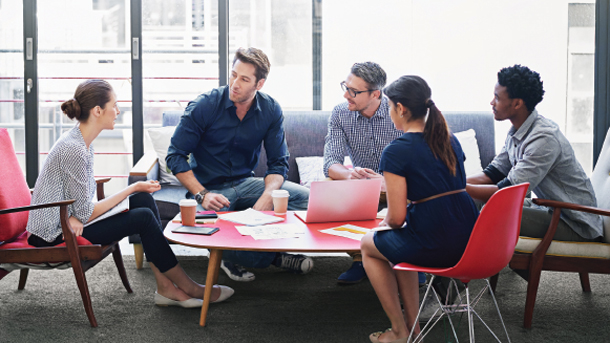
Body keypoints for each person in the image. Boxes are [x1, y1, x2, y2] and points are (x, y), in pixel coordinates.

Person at [26, 79, 233, 308]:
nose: (118, 111)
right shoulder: (75, 148)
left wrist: (80, 214)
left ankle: (166, 289)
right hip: (53, 234)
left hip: (67, 219)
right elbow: (84, 212)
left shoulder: (82, 141)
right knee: (142, 216)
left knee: (143, 199)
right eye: (114, 105)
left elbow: (81, 206)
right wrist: (130, 188)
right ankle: (191, 288)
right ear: (97, 111)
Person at [166, 47, 313, 282]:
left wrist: (267, 197)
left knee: (310, 200)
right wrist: (202, 194)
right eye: (233, 75)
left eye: (244, 79)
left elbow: (278, 164)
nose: (235, 83)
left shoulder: (270, 109)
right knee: (213, 231)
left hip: (246, 183)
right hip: (209, 189)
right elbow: (174, 156)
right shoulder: (205, 105)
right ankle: (269, 257)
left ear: (259, 84)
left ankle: (238, 252)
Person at [361, 75, 479, 343]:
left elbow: (397, 217)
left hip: (437, 244)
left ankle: (400, 330)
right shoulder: (450, 139)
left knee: (369, 244)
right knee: (399, 244)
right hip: (471, 241)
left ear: (401, 109)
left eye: (389, 107)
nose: (389, 113)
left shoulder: (396, 151)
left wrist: (382, 224)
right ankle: (414, 330)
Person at [467, 64, 603, 243]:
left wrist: (457, 188)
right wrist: (453, 183)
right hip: (551, 209)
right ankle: (449, 264)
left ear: (517, 103)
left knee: (493, 212)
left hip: (575, 223)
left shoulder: (544, 139)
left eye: (497, 98)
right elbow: (492, 174)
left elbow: (505, 191)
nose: (492, 102)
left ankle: (478, 268)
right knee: (476, 203)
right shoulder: (517, 131)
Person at [324, 62, 412, 285]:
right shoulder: (340, 114)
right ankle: (360, 258)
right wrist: (349, 176)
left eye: (354, 91)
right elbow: (331, 162)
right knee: (329, 188)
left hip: (400, 188)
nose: (346, 94)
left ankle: (410, 259)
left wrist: (389, 182)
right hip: (362, 189)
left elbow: (418, 162)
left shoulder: (399, 113)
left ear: (375, 94)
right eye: (346, 86)